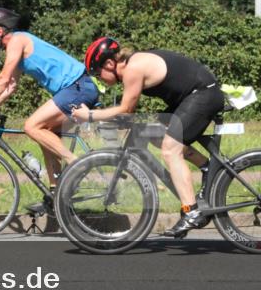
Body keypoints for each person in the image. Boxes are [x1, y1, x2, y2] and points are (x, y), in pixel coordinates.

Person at [71, 37, 225, 238]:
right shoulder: (133, 64)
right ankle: (206, 166)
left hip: (202, 95)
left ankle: (192, 211)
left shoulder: (133, 69)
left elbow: (126, 110)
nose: (99, 79)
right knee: (151, 132)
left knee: (170, 149)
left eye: (98, 74)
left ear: (109, 64)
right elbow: (129, 111)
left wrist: (89, 116)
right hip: (191, 96)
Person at [0, 7, 99, 212]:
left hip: (77, 87)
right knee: (43, 133)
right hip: (75, 89)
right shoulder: (16, 45)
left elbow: (2, 79)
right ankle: (56, 193)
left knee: (31, 126)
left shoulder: (18, 40)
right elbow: (10, 87)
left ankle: (78, 164)